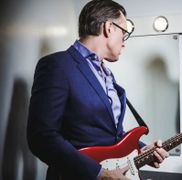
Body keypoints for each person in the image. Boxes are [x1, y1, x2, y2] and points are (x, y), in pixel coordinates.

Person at [27, 0, 169, 179]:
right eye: (124, 33)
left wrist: (142, 149)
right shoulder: (57, 65)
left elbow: (110, 134)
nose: (124, 42)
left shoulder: (107, 74)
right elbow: (41, 137)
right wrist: (98, 174)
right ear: (109, 27)